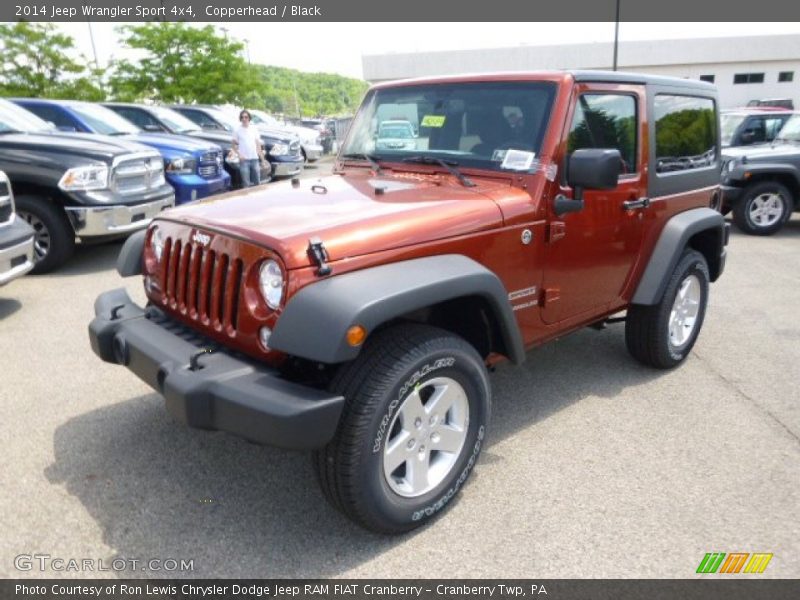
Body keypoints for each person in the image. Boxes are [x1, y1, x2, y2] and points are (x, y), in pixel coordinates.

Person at [231, 109, 266, 187]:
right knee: (246, 183)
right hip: (244, 160)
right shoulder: (237, 130)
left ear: (249, 118)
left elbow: (258, 145)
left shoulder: (254, 129)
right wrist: (239, 155)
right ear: (240, 118)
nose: (244, 119)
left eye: (246, 117)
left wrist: (263, 160)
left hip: (254, 159)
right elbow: (233, 145)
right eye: (242, 117)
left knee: (257, 182)